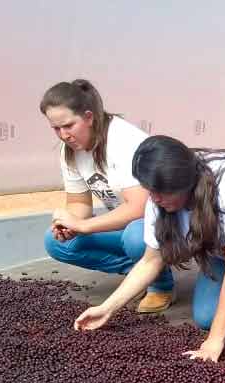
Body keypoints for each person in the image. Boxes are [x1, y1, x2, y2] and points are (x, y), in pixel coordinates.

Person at [73, 136, 225, 359]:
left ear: (184, 184)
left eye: (161, 192)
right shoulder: (160, 197)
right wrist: (107, 308)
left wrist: (215, 341)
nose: (154, 199)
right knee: (206, 318)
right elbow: (151, 261)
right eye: (150, 190)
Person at [40, 80, 175, 313]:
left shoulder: (123, 141)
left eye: (69, 125)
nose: (63, 135)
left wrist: (83, 225)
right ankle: (138, 273)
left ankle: (160, 284)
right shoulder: (70, 151)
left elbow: (138, 208)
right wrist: (69, 223)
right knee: (56, 243)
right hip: (127, 223)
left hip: (161, 224)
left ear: (89, 117)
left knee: (135, 236)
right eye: (56, 129)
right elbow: (79, 202)